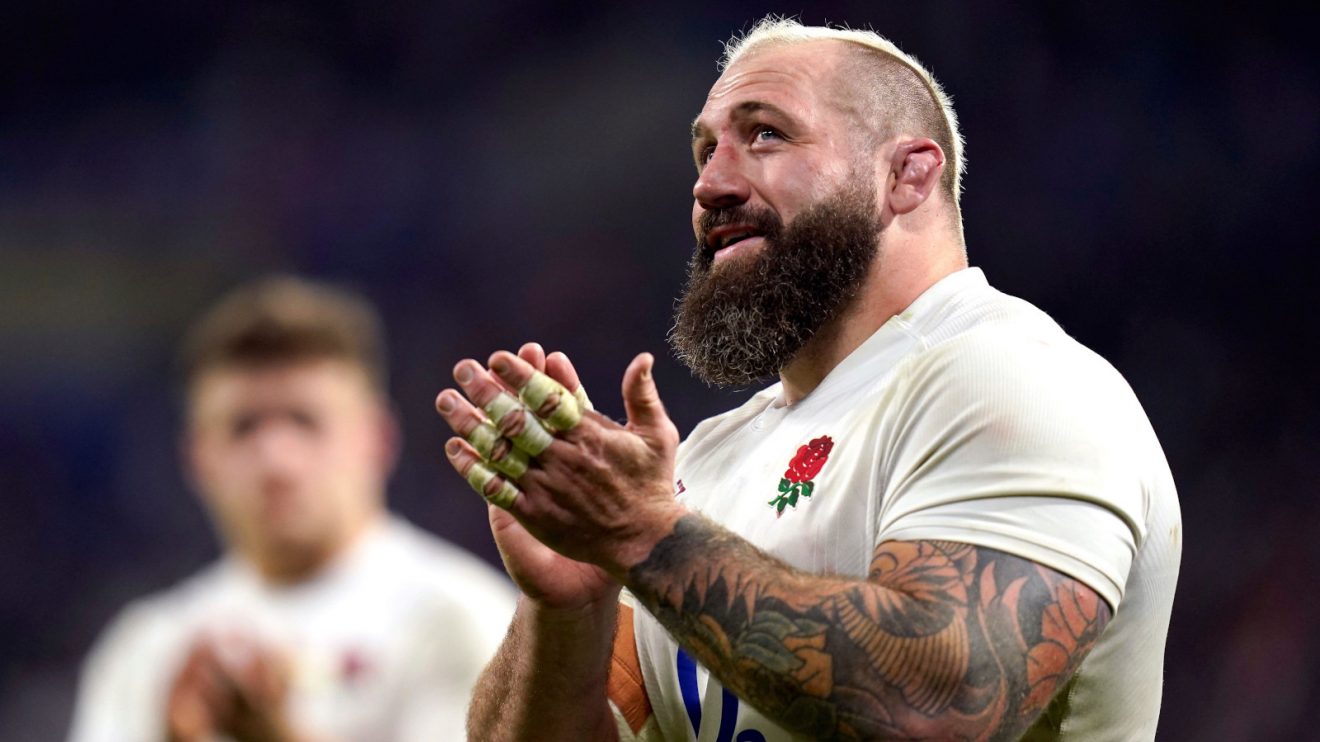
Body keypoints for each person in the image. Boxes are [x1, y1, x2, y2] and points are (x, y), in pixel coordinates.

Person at [436, 16, 1180, 742]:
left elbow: (939, 707)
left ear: (908, 174)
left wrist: (637, 533)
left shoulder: (1014, 379)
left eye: (765, 134)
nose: (711, 185)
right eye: (705, 151)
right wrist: (570, 606)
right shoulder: (703, 461)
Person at [69, 276, 517, 742]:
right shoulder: (147, 649)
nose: (276, 460)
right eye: (243, 427)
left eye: (305, 421)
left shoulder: (461, 621)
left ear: (377, 439)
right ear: (197, 458)